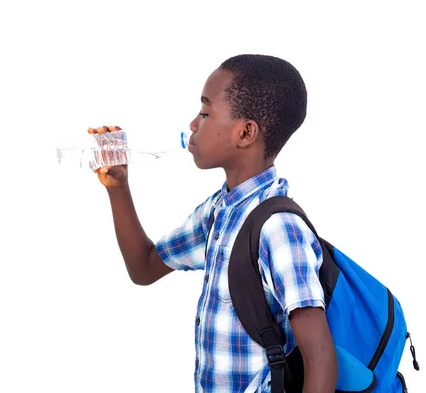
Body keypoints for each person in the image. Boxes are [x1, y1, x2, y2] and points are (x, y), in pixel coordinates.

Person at [89, 54, 338, 392]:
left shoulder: (278, 229)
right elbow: (144, 268)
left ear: (246, 132)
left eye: (205, 113)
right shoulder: (219, 212)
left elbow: (319, 355)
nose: (193, 124)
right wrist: (118, 188)